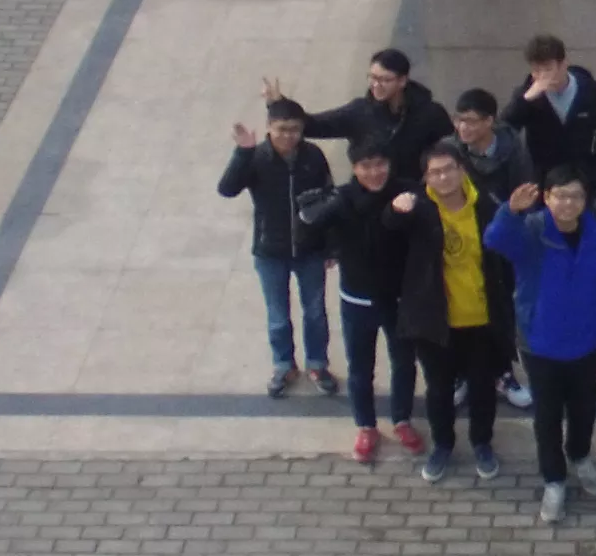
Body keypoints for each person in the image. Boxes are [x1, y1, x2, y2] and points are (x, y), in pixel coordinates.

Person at [487, 167, 596, 525]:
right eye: (560, 195)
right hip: (541, 345)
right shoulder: (531, 231)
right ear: (546, 197)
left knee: (584, 408)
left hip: (589, 344)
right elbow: (495, 240)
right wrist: (511, 211)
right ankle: (554, 479)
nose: (567, 203)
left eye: (576, 196)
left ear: (585, 201)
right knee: (547, 416)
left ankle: (580, 455)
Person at [387, 142, 512, 485]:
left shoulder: (485, 205)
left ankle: (482, 443)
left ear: (462, 170)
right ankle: (443, 444)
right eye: (435, 172)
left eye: (448, 169)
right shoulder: (418, 208)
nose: (443, 177)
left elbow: (503, 255)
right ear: (425, 176)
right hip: (435, 320)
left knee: (483, 387)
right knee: (439, 389)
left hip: (481, 317)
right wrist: (397, 211)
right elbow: (390, 229)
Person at [303, 143, 418, 461]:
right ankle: (366, 425)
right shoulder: (342, 199)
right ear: (354, 169)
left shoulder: (407, 191)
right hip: (357, 297)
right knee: (360, 367)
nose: (374, 172)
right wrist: (327, 245)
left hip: (398, 298)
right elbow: (311, 231)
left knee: (405, 363)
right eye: (366, 166)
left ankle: (402, 419)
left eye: (380, 164)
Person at [215, 98, 336, 398]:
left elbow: (329, 199)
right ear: (269, 128)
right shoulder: (257, 158)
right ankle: (284, 364)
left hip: (310, 250)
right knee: (278, 315)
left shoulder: (313, 157)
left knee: (315, 312)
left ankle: (317, 364)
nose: (288, 136)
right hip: (270, 250)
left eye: (295, 130)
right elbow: (227, 188)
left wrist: (332, 247)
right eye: (281, 129)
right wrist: (242, 152)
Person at [274, 48, 451, 181]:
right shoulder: (359, 111)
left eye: (385, 79)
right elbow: (314, 125)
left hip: (413, 197)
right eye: (372, 77)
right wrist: (279, 105)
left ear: (402, 81)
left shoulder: (430, 114)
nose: (376, 85)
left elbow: (452, 150)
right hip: (368, 197)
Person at [512, 34, 596, 200]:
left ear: (564, 64)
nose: (543, 77)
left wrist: (593, 175)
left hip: (579, 182)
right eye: (537, 71)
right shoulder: (526, 95)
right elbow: (504, 130)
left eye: (548, 69)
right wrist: (526, 101)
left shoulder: (591, 91)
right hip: (540, 185)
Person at [445, 89, 532, 215]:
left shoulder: (514, 151)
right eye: (459, 120)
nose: (463, 127)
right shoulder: (449, 149)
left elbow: (527, 195)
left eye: (470, 121)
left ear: (489, 121)